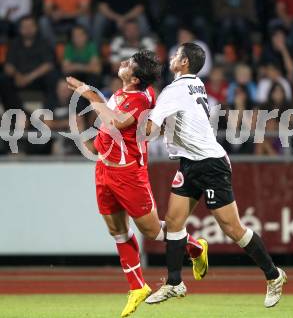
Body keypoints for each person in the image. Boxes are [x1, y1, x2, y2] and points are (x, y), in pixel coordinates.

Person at [144, 43, 287, 307]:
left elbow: (150, 130)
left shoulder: (174, 90)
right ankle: (174, 283)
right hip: (191, 162)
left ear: (184, 62)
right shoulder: (196, 83)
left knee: (233, 229)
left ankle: (274, 275)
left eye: (176, 55)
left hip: (210, 164)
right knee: (174, 222)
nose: (172, 58)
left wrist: (121, 123)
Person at [66, 50, 206, 317]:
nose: (122, 63)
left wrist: (91, 95)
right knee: (116, 230)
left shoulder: (141, 99)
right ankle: (137, 287)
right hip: (104, 171)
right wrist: (95, 145)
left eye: (128, 63)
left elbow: (117, 121)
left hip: (130, 175)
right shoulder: (122, 95)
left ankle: (195, 247)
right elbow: (110, 126)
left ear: (136, 76)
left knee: (152, 231)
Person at [2, 15, 58, 110]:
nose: (28, 29)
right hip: (18, 79)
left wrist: (28, 78)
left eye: (31, 26)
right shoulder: (14, 43)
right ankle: (17, 113)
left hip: (38, 79)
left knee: (52, 77)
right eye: (25, 27)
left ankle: (49, 112)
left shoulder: (43, 42)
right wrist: (17, 75)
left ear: (36, 28)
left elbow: (48, 65)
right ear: (20, 29)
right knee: (3, 80)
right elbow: (8, 65)